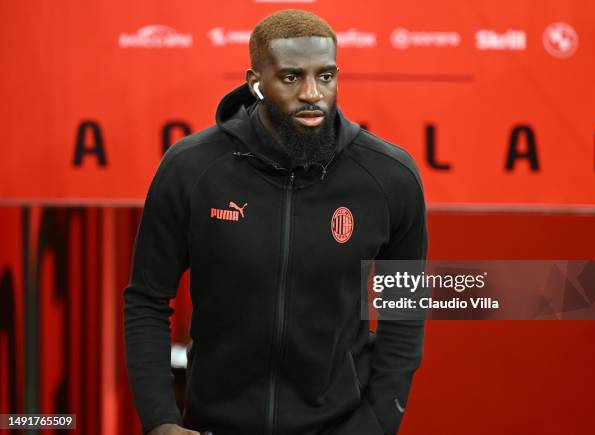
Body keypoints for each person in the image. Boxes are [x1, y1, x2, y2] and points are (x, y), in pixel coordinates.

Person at [123, 9, 427, 435]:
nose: (312, 93)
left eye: (326, 76)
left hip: (338, 425)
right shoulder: (192, 168)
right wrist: (159, 420)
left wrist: (378, 422)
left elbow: (406, 309)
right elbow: (147, 300)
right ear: (256, 84)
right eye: (291, 77)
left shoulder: (388, 175)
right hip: (215, 424)